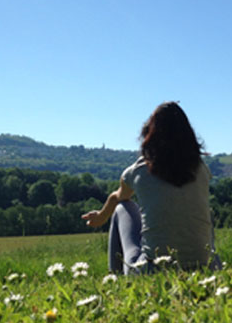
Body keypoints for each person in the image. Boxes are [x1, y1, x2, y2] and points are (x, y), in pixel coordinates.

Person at [81, 102, 218, 274]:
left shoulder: (140, 170)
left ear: (150, 134)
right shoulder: (202, 169)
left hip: (153, 269)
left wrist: (101, 216)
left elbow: (118, 197)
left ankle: (114, 279)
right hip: (204, 268)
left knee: (123, 208)